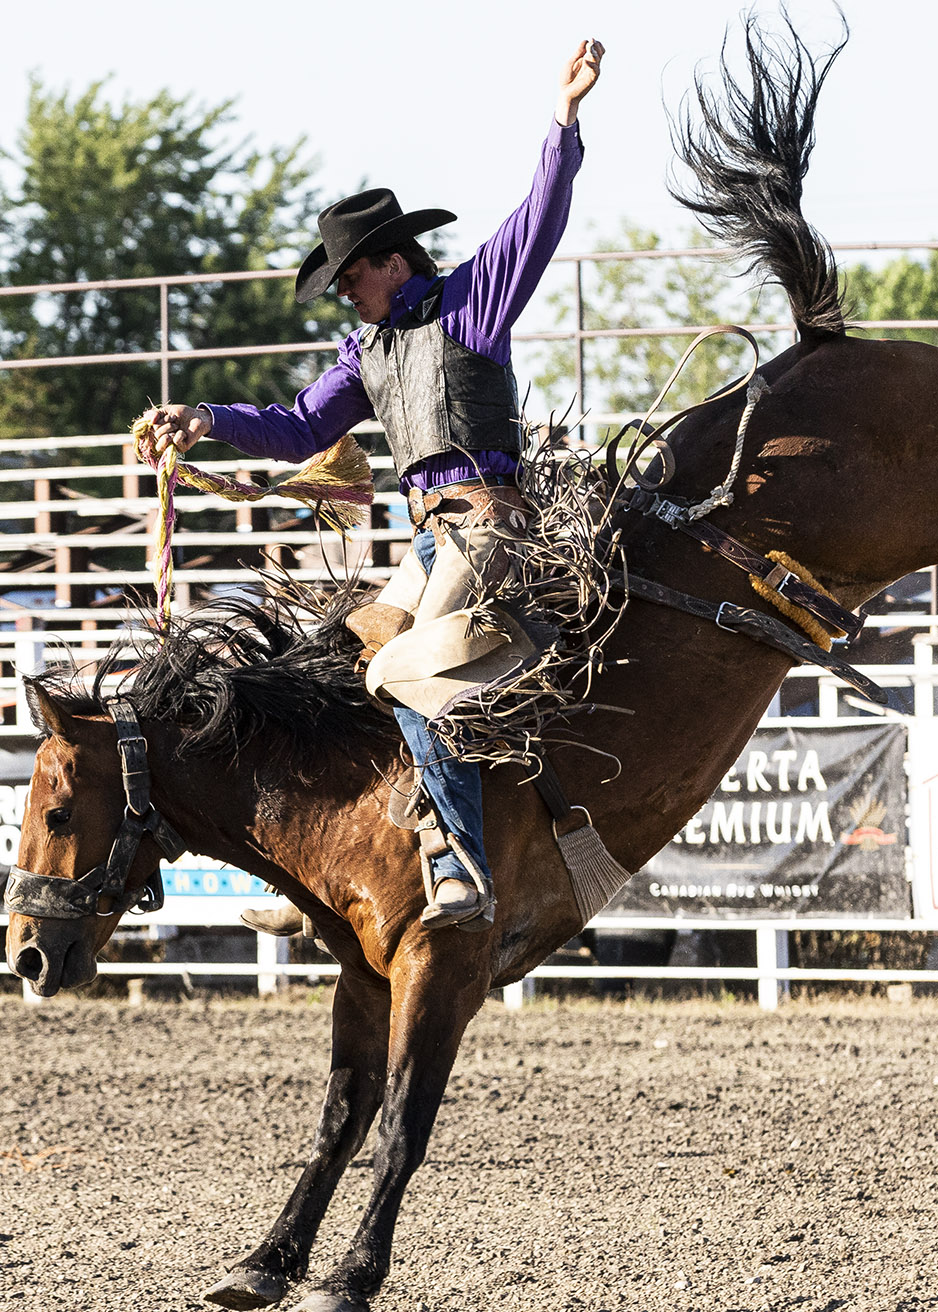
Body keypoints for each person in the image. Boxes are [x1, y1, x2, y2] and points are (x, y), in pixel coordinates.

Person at [143, 39, 606, 932]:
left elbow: (539, 216)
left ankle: (466, 866)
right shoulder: (371, 348)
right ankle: (319, 877)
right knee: (334, 668)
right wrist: (205, 417)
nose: (346, 293)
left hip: (488, 526)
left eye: (351, 276)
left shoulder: (475, 298)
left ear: (394, 262)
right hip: (432, 538)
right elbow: (300, 426)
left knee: (401, 669)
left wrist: (563, 119)